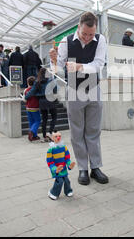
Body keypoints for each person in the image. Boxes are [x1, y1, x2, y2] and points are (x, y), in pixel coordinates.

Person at [55, 12, 108, 185]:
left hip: (94, 88)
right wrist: (54, 61)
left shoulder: (100, 40)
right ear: (79, 27)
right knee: (77, 132)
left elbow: (99, 64)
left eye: (91, 34)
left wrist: (79, 66)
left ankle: (96, 167)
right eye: (84, 34)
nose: (87, 38)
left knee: (93, 130)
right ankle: (83, 169)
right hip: (74, 89)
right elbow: (59, 69)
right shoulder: (65, 41)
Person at [24, 68, 58, 142]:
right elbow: (55, 90)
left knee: (44, 118)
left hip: (42, 101)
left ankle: (44, 135)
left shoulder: (37, 82)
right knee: (54, 117)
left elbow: (31, 92)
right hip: (50, 100)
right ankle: (50, 132)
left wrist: (26, 97)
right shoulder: (51, 81)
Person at [46, 131, 76, 200]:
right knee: (59, 181)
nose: (58, 138)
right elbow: (49, 161)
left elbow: (67, 158)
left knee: (66, 180)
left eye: (59, 136)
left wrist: (69, 165)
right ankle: (52, 193)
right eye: (56, 136)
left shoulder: (64, 147)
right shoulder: (51, 149)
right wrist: (54, 169)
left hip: (63, 168)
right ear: (52, 138)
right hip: (56, 169)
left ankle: (68, 191)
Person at [23, 76, 41, 142]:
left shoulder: (25, 90)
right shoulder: (36, 90)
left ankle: (34, 136)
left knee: (31, 122)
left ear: (28, 83)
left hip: (28, 108)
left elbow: (24, 100)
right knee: (37, 121)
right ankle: (32, 131)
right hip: (35, 107)